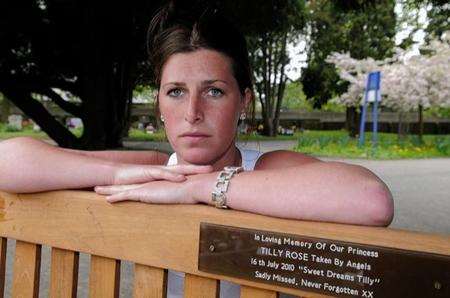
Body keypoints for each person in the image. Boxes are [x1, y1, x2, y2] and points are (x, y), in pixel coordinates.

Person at [0, 3, 393, 298]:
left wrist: (200, 188)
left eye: (214, 91)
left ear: (244, 102)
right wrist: (115, 172)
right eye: (176, 92)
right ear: (159, 106)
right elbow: (8, 161)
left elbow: (371, 199)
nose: (192, 113)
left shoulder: (266, 168)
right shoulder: (154, 169)